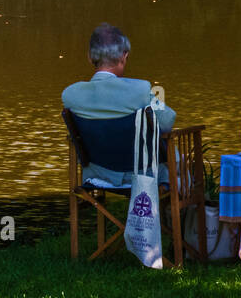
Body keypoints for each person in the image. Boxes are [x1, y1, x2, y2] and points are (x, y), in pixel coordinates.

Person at [62, 23, 176, 186]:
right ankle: (181, 208)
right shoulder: (140, 90)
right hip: (143, 174)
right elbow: (168, 121)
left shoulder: (70, 95)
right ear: (124, 56)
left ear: (89, 57)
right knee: (177, 160)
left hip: (96, 175)